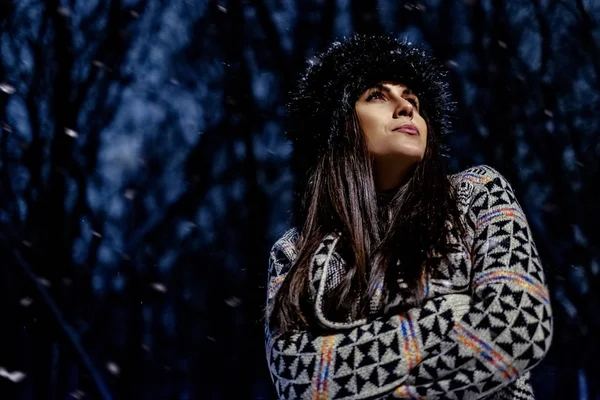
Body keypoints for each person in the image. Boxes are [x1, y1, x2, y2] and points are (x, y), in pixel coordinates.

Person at [264, 34, 553, 400]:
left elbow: (519, 325)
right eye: (377, 96)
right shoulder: (295, 253)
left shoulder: (478, 193)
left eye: (412, 99)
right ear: (338, 128)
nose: (405, 108)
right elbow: (298, 379)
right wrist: (454, 310)